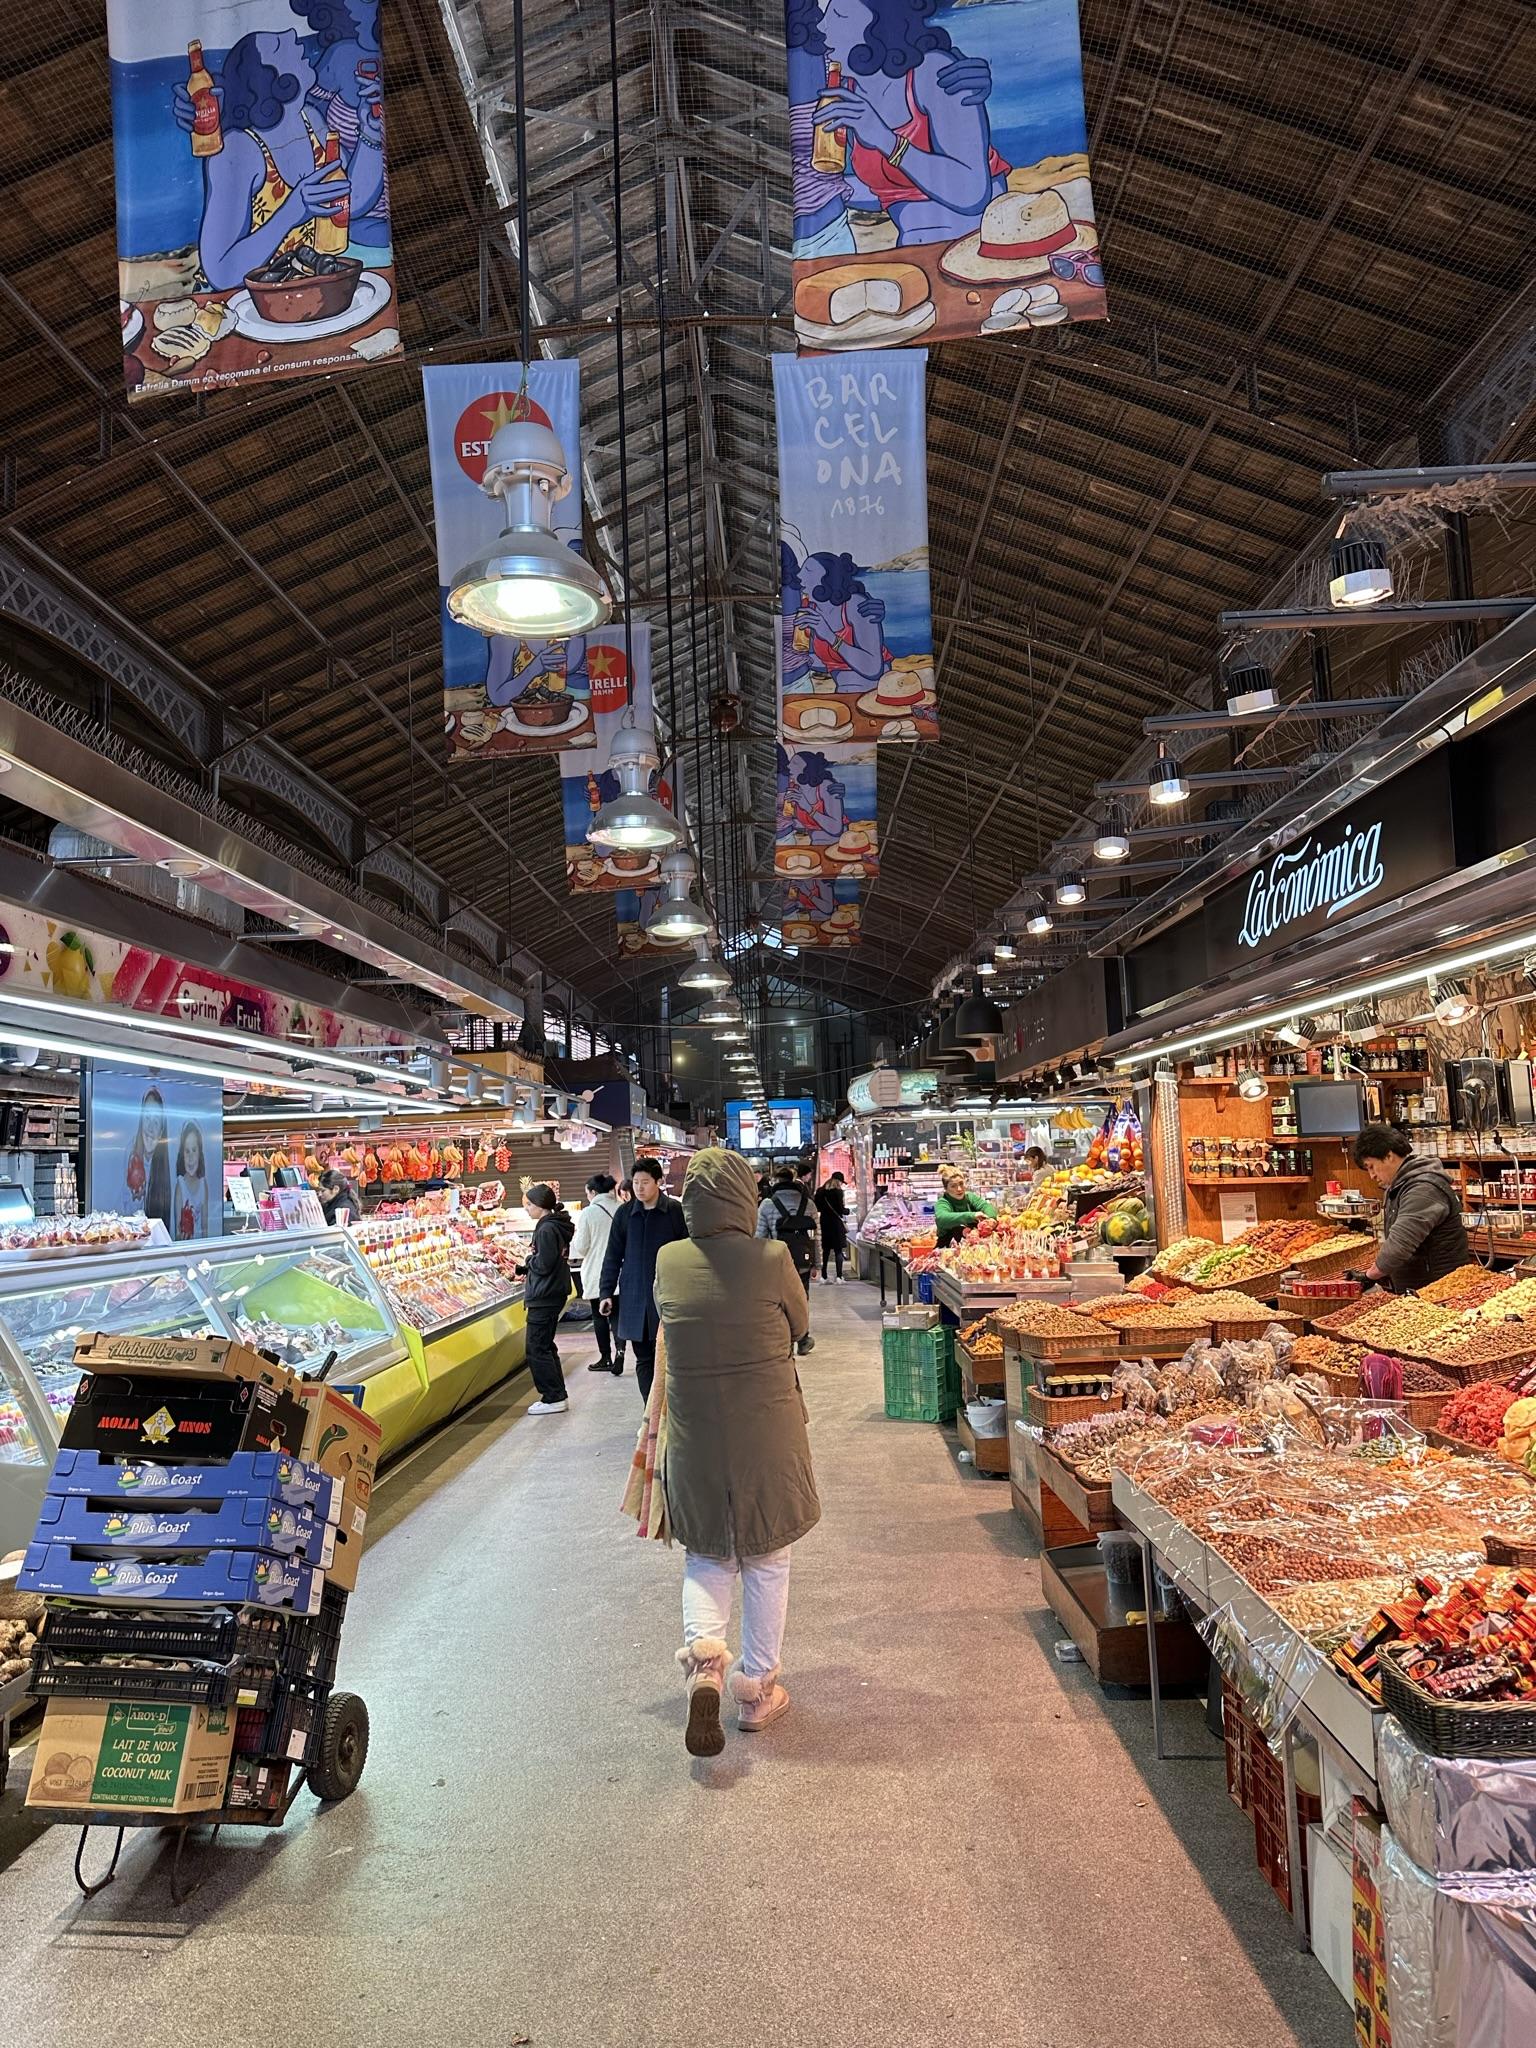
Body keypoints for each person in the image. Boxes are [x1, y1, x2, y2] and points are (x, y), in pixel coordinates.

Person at [655, 1147, 819, 1756]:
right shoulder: (773, 1257)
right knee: (768, 1556)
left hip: (695, 1435)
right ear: (745, 1198)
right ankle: (756, 1691)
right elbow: (800, 1326)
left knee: (707, 1555)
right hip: (767, 1432)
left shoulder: (670, 1260)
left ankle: (705, 1666)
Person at [600, 1157, 687, 1403]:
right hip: (635, 1296)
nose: (639, 1188)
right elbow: (613, 1255)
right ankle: (650, 1414)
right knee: (643, 1358)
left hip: (669, 1296)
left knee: (670, 1358)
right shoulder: (625, 1214)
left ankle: (671, 1413)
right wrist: (606, 1291)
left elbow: (688, 1251)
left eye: (645, 1182)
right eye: (636, 1182)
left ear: (658, 1182)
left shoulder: (674, 1211)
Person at [1353, 1125, 1470, 1291]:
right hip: (1420, 1290)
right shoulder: (1400, 1185)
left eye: (1371, 1166)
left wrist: (1369, 1276)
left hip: (1441, 1290)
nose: (1371, 1175)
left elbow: (1400, 1244)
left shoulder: (1422, 1188)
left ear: (1389, 1156)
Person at [522, 1183, 575, 1414]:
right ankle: (557, 1393)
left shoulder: (545, 1229)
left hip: (544, 1295)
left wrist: (528, 1261)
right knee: (545, 1346)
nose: (527, 1210)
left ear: (540, 1206)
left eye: (529, 1205)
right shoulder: (556, 1226)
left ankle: (552, 1397)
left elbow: (543, 1263)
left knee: (536, 1348)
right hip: (553, 1292)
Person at [757, 1167, 820, 1353]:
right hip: (802, 1262)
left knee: (779, 1301)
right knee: (802, 1298)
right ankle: (803, 1338)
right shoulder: (808, 1204)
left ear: (776, 1182)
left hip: (775, 1264)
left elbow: (759, 1237)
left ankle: (784, 1341)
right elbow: (816, 1237)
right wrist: (817, 1263)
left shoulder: (767, 1205)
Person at [569, 1172, 625, 1375]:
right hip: (622, 1269)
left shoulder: (589, 1212)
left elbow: (582, 1247)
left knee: (600, 1316)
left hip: (598, 1272)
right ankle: (620, 1351)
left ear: (593, 1192)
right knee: (618, 1314)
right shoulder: (621, 1208)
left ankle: (605, 1357)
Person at [123, 1086, 171, 1230]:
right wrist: (135, 1199)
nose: (150, 1127)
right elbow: (121, 1214)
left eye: (156, 1122)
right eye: (147, 1118)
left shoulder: (166, 1168)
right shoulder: (130, 1154)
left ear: (161, 1131)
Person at [934, 1166, 996, 1248]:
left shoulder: (970, 1197)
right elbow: (942, 1218)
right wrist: (972, 1216)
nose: (959, 1189)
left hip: (973, 1248)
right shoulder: (943, 1202)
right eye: (953, 1186)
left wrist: (990, 1220)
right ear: (946, 1188)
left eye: (961, 1184)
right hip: (947, 1249)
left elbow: (986, 1206)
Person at [172, 1123, 210, 1242]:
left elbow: (204, 1227)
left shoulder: (203, 1185)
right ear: (182, 1155)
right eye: (187, 1151)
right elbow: (177, 1229)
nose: (191, 1157)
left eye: (194, 1150)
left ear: (200, 1153)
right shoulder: (180, 1186)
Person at [814, 1170, 850, 1282]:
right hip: (836, 1224)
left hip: (824, 1222)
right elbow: (841, 1209)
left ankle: (823, 1276)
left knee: (826, 1250)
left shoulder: (820, 1191)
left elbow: (817, 1207)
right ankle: (839, 1276)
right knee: (838, 1250)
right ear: (838, 1181)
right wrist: (847, 1211)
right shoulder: (838, 1192)